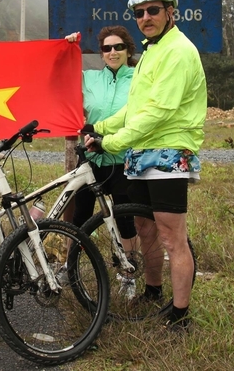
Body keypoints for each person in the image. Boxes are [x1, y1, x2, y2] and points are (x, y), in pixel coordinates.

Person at [84, 0, 207, 331]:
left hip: (167, 153)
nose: (146, 17)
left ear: (170, 12)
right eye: (139, 12)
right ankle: (153, 291)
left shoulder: (179, 51)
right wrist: (101, 128)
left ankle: (180, 314)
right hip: (142, 153)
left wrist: (112, 143)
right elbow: (135, 110)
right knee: (144, 227)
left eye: (153, 10)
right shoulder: (153, 52)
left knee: (172, 237)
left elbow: (158, 113)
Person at [65, 26, 139, 298]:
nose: (112, 52)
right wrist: (67, 47)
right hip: (91, 159)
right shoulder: (90, 78)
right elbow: (60, 76)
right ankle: (69, 266)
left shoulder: (139, 78)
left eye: (118, 47)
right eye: (106, 48)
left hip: (124, 158)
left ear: (129, 50)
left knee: (125, 220)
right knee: (79, 217)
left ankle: (126, 272)